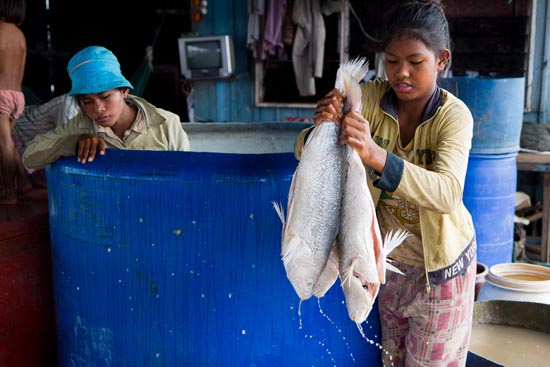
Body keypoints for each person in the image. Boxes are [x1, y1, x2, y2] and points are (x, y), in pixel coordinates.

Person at [295, 1, 476, 366]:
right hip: (386, 267)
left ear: (441, 60)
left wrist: (378, 156)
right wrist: (323, 125)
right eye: (392, 61)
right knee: (391, 361)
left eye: (415, 61)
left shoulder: (454, 117)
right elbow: (302, 151)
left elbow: (447, 193)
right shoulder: (372, 98)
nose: (401, 73)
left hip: (439, 272)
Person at [22, 45, 190, 170]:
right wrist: (73, 143)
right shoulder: (80, 125)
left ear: (124, 91)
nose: (98, 108)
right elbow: (29, 157)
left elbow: (186, 176)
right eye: (87, 101)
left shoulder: (166, 124)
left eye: (105, 97)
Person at [0, 0, 33, 204]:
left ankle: (9, 194)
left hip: (1, 95)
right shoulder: (19, 35)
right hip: (17, 96)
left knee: (3, 144)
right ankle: (23, 182)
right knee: (9, 143)